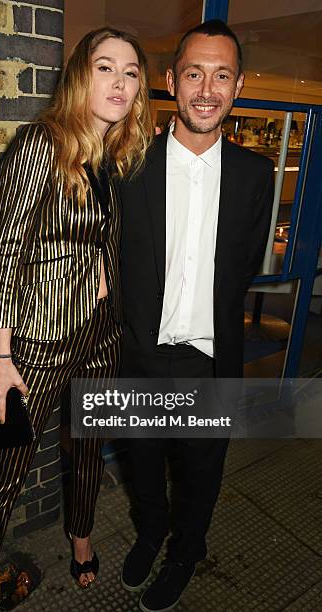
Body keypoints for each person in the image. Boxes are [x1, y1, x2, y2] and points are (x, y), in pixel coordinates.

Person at [0, 27, 152, 609]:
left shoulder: (114, 153)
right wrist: (0, 354)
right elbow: (5, 251)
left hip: (101, 335)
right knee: (4, 479)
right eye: (105, 66)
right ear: (79, 76)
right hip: (37, 344)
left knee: (88, 447)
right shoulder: (42, 144)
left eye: (131, 72)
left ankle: (82, 540)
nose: (119, 81)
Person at [119, 19, 274, 612]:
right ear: (170, 81)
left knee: (201, 475)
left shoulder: (255, 176)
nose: (206, 88)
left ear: (236, 87)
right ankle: (152, 532)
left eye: (221, 75)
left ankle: (186, 550)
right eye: (194, 73)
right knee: (143, 463)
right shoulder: (128, 165)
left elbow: (241, 271)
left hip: (211, 361)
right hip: (141, 354)